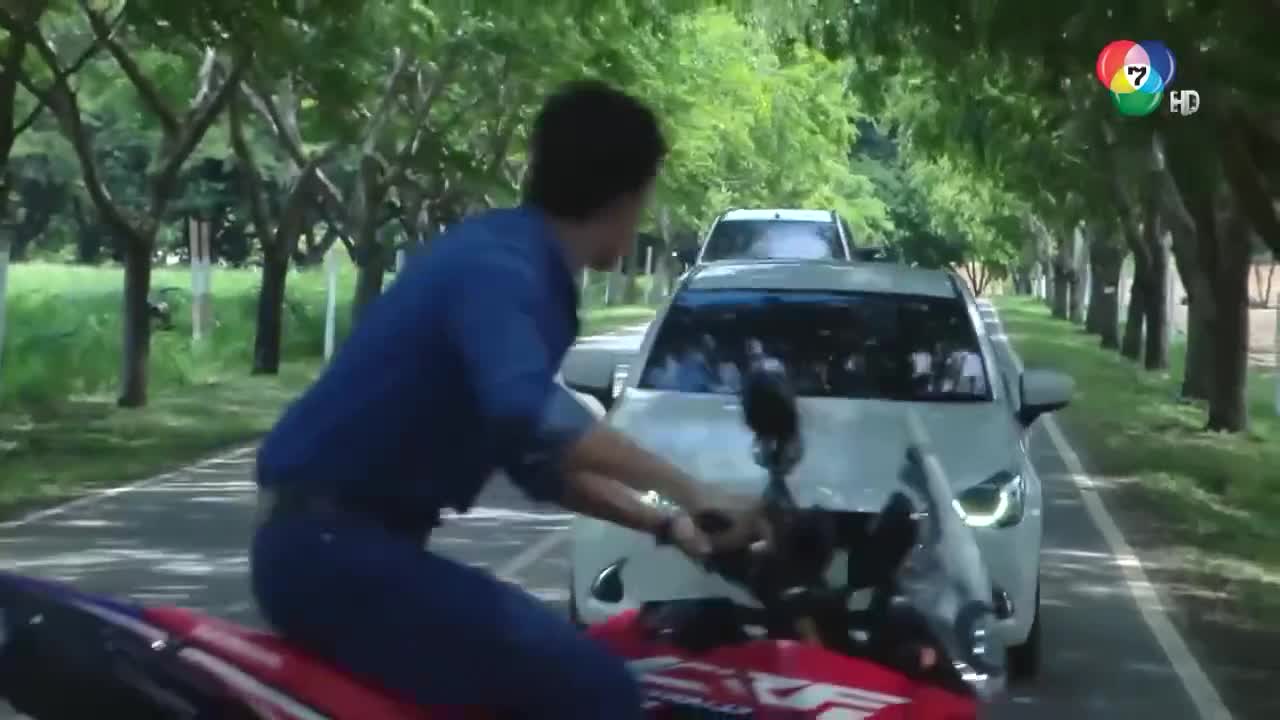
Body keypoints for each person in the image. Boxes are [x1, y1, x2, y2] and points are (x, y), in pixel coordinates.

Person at [249, 81, 764, 718]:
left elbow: (538, 464)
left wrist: (668, 525)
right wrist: (693, 489)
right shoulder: (504, 267)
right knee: (595, 689)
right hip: (330, 553)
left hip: (342, 549)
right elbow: (527, 409)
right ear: (623, 194)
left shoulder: (517, 259)